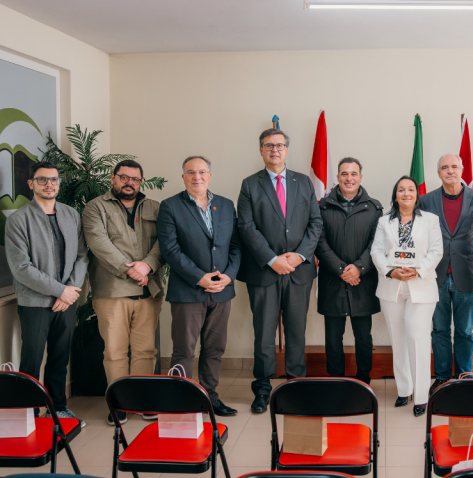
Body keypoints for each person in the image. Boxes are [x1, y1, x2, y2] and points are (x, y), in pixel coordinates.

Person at [237, 128, 323, 414]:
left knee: (296, 331)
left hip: (298, 272)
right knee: (263, 333)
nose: (275, 149)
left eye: (280, 145)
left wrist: (298, 257)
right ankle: (262, 389)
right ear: (261, 150)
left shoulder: (304, 183)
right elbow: (246, 227)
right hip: (264, 272)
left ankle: (296, 387)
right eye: (268, 145)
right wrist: (273, 259)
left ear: (287, 149)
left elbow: (315, 223)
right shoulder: (250, 185)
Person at [156, 156, 242, 416]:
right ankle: (183, 401)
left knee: (215, 348)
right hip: (188, 291)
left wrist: (228, 275)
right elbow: (170, 250)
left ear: (210, 175)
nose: (197, 177)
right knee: (184, 349)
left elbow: (236, 246)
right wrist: (199, 277)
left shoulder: (226, 206)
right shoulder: (170, 206)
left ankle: (210, 398)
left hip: (222, 291)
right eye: (190, 172)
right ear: (183, 177)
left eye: (202, 172)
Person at [4, 161, 88, 425]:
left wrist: (70, 291)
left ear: (58, 184)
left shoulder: (71, 214)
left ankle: (58, 408)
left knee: (60, 356)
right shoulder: (18, 220)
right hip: (35, 301)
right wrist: (60, 291)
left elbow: (82, 256)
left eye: (53, 180)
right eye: (42, 180)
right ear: (31, 184)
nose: (49, 184)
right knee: (32, 358)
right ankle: (27, 413)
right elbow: (21, 268)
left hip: (67, 300)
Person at [82, 159, 165, 425]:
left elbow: (165, 242)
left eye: (135, 179)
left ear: (141, 182)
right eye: (124, 177)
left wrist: (147, 266)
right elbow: (98, 242)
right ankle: (118, 404)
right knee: (115, 351)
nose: (130, 183)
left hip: (148, 291)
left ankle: (141, 399)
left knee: (145, 350)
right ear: (113, 178)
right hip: (112, 291)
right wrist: (130, 270)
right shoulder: (95, 207)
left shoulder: (155, 208)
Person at [371, 175, 442, 416]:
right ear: (395, 195)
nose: (406, 193)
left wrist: (418, 271)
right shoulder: (384, 222)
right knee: (398, 339)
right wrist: (391, 272)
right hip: (392, 288)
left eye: (410, 189)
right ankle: (404, 390)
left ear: (416, 194)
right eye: (401, 190)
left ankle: (421, 396)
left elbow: (436, 251)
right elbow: (377, 252)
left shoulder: (430, 220)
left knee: (417, 337)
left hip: (421, 287)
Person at [420, 154, 473, 394]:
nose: (450, 171)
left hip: (467, 274)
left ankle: (464, 376)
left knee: (465, 331)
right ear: (438, 173)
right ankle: (441, 377)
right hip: (435, 275)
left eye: (454, 167)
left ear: (462, 170)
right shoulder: (425, 201)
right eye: (444, 167)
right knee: (439, 330)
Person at [315, 157, 383, 384]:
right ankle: (336, 382)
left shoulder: (374, 208)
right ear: (337, 177)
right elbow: (319, 242)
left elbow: (377, 243)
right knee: (333, 337)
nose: (349, 178)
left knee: (364, 336)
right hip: (332, 281)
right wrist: (342, 269)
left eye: (353, 174)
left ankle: (363, 380)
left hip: (363, 282)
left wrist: (359, 268)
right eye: (344, 174)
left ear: (360, 178)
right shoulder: (322, 206)